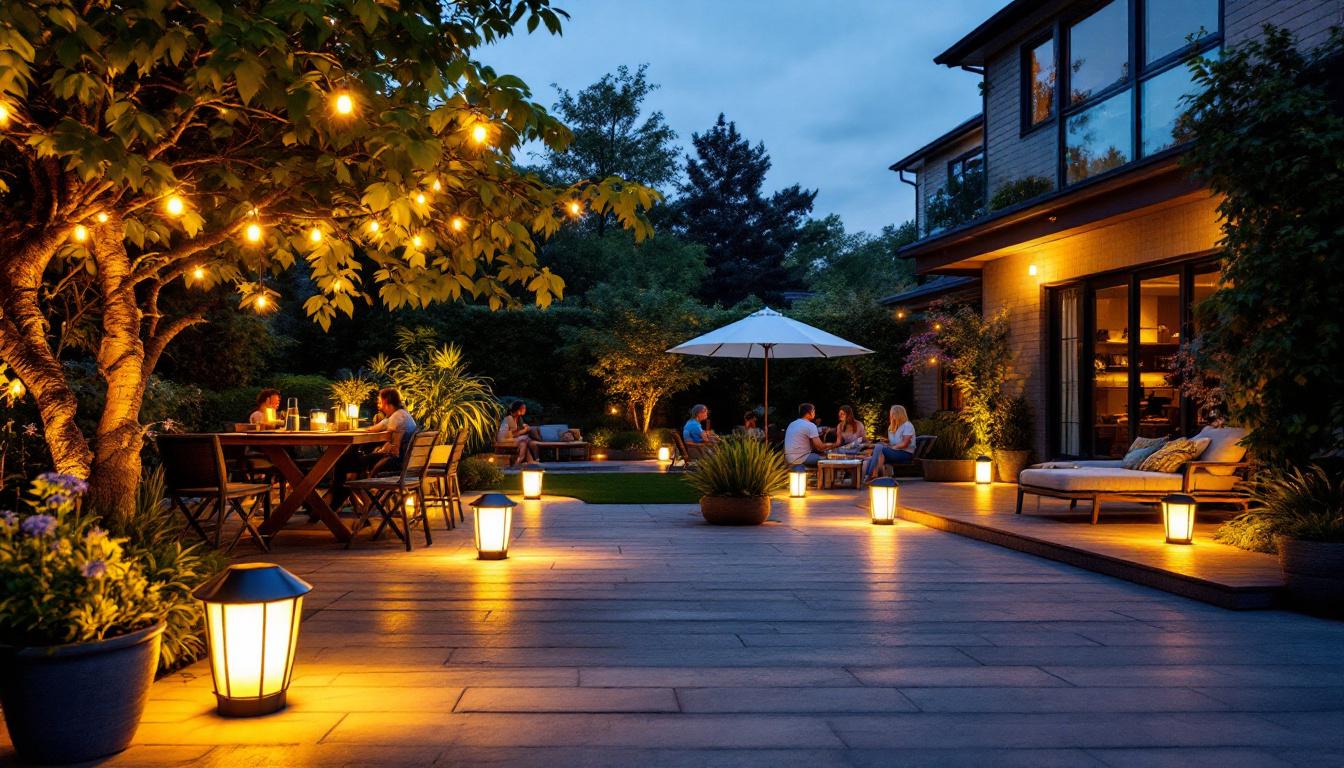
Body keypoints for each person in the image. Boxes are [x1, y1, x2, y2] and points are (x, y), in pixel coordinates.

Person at [330, 388, 418, 511]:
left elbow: (394, 449)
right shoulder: (399, 414)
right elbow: (375, 428)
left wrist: (381, 451)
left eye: (379, 400)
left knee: (343, 462)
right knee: (350, 461)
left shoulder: (397, 418)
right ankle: (347, 502)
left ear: (386, 400)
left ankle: (335, 503)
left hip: (395, 462)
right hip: (403, 461)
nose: (377, 403)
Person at [865, 404, 916, 480]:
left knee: (879, 449)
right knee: (879, 449)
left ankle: (869, 475)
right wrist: (887, 443)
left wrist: (892, 447)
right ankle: (876, 477)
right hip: (895, 452)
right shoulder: (891, 427)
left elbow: (905, 443)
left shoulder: (907, 425)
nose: (890, 416)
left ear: (898, 414)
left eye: (892, 413)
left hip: (905, 453)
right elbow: (893, 443)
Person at [496, 401, 539, 465]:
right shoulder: (509, 418)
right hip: (504, 440)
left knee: (523, 444)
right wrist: (525, 430)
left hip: (511, 439)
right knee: (525, 439)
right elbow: (514, 434)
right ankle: (533, 457)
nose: (525, 410)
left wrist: (525, 427)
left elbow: (518, 432)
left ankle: (526, 461)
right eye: (523, 408)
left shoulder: (519, 419)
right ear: (517, 409)